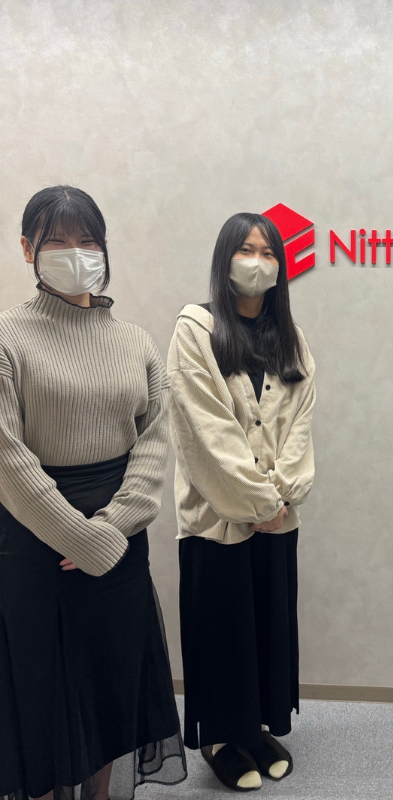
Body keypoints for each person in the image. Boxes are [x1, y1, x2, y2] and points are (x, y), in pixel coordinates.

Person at [0, 186, 186, 800]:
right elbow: (5, 456)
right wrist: (78, 536)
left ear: (104, 249)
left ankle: (101, 794)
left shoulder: (135, 341)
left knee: (110, 675)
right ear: (27, 248)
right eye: (56, 241)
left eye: (88, 241)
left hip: (121, 538)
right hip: (34, 537)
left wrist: (110, 530)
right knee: (42, 684)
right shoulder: (6, 337)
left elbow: (154, 443)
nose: (75, 253)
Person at [168, 212, 315, 792]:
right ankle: (221, 738)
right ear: (224, 258)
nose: (258, 262)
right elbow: (206, 433)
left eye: (268, 252)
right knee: (223, 629)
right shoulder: (196, 329)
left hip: (277, 518)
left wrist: (281, 497)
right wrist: (257, 502)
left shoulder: (291, 338)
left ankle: (254, 729)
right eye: (246, 250)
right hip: (217, 518)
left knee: (265, 626)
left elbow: (300, 427)